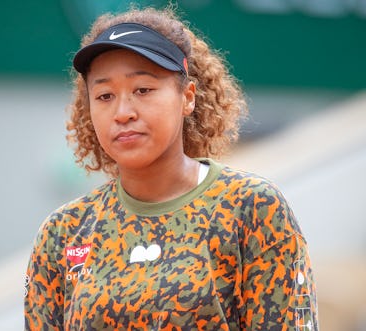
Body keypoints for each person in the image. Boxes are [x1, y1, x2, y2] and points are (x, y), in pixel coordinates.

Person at [24, 6, 319, 331]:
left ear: (187, 97)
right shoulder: (63, 232)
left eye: (143, 90)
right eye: (105, 95)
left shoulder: (251, 208)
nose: (122, 112)